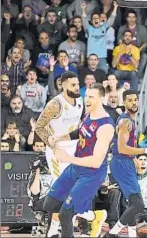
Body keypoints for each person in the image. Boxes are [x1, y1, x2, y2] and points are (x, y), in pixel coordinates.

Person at [42, 83, 115, 238]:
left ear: (102, 98)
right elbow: (80, 131)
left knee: (65, 215)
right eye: (86, 95)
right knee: (50, 204)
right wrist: (60, 137)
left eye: (91, 97)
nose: (86, 99)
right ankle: (95, 217)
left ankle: (83, 218)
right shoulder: (88, 113)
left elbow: (96, 161)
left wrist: (67, 158)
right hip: (76, 166)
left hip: (92, 173)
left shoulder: (106, 126)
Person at [35, 71, 87, 238]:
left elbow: (80, 127)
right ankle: (54, 228)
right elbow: (39, 127)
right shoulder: (55, 104)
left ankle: (61, 227)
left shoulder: (80, 101)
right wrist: (52, 144)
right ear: (63, 86)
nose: (77, 87)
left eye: (78, 84)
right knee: (63, 191)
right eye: (73, 85)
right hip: (58, 151)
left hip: (75, 148)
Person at [104, 90, 147, 238]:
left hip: (125, 161)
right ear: (124, 103)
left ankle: (131, 234)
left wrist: (134, 158)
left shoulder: (129, 119)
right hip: (121, 163)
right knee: (138, 204)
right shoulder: (126, 122)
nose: (134, 102)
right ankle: (112, 234)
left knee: (132, 204)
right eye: (130, 100)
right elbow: (122, 148)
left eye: (136, 99)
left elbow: (125, 146)